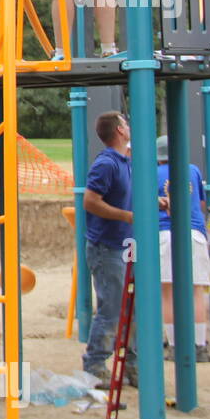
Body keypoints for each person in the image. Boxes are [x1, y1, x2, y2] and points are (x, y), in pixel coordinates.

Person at [82, 110, 138, 386]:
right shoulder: (106, 163)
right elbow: (90, 201)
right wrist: (126, 216)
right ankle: (95, 364)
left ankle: (132, 364)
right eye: (125, 123)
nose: (129, 127)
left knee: (134, 308)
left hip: (124, 245)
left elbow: (126, 197)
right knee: (112, 307)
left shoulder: (124, 161)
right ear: (119, 130)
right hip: (107, 247)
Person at [155, 135, 210, 362]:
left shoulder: (152, 172)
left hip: (163, 233)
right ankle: (199, 345)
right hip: (194, 232)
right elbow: (200, 204)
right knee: (195, 290)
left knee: (168, 292)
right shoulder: (192, 170)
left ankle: (173, 345)